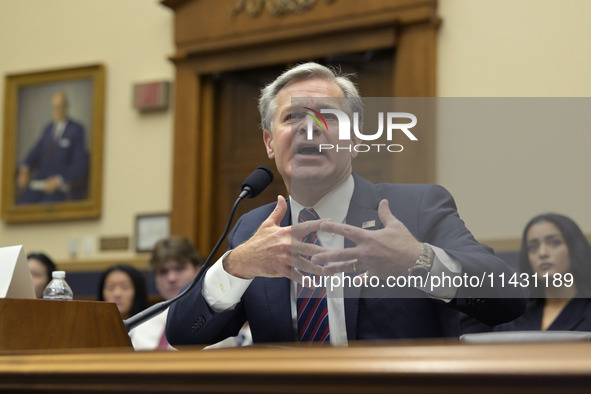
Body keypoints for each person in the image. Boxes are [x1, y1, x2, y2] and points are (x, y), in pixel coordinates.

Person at [166, 62, 527, 346]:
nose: (310, 128)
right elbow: (185, 334)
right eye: (292, 117)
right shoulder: (254, 230)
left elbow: (508, 297)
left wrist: (418, 260)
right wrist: (235, 266)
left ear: (355, 140)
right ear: (269, 143)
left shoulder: (416, 207)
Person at [493, 213, 591, 331]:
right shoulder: (513, 317)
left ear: (574, 249)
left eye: (554, 243)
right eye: (533, 247)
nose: (542, 253)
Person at [129, 237, 204, 350]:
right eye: (163, 271)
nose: (171, 278)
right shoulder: (140, 325)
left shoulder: (218, 322)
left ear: (198, 270)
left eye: (179, 269)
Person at [16, 91, 89, 204]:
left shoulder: (76, 130)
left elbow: (80, 165)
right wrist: (25, 168)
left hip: (61, 188)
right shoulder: (48, 129)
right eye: (55, 107)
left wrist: (59, 180)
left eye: (60, 106)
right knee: (23, 202)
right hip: (42, 183)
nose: (57, 110)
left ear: (66, 107)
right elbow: (36, 151)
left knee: (47, 206)